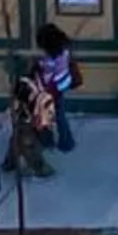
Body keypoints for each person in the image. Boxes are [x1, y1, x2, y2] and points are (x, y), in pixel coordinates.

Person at [32, 23, 78, 154]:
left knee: (45, 114)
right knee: (59, 114)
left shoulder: (52, 57)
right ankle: (66, 141)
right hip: (61, 85)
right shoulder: (64, 51)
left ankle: (48, 140)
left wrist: (39, 64)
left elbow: (47, 70)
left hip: (52, 87)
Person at [6, 63, 57, 180]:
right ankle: (10, 163)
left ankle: (41, 169)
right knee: (17, 140)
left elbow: (19, 103)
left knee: (28, 144)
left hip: (28, 118)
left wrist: (13, 110)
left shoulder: (23, 85)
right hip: (35, 117)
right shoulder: (37, 80)